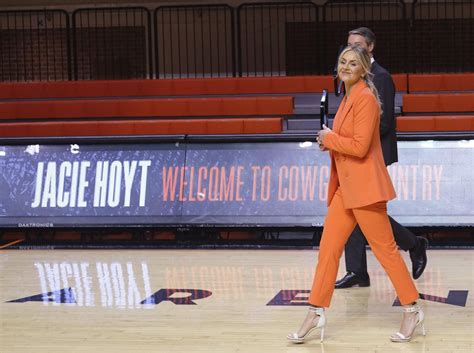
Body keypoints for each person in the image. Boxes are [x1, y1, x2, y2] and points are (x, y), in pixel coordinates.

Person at [287, 46, 425, 343]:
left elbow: (361, 147)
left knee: (386, 253)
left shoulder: (365, 99)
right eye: (342, 62)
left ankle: (412, 309)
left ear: (364, 69)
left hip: (365, 189)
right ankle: (315, 310)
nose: (346, 66)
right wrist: (331, 142)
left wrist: (330, 138)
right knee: (328, 250)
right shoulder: (349, 97)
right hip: (346, 189)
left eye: (353, 63)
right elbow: (349, 142)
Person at [335, 27, 428, 289]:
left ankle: (413, 243)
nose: (353, 49)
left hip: (371, 152)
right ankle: (357, 271)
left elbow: (384, 122)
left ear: (371, 47)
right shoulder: (351, 75)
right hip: (354, 151)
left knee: (364, 211)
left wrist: (356, 141)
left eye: (359, 45)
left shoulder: (382, 77)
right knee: (355, 210)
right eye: (349, 45)